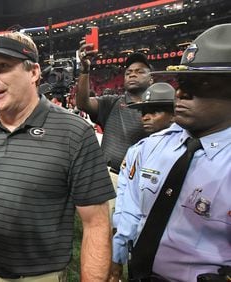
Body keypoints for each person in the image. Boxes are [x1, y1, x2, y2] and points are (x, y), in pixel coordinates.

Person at [0, 31, 115, 281]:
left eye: (2, 67)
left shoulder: (74, 132)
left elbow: (96, 223)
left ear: (33, 72)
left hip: (40, 275)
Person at [112, 24, 231, 282]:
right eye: (182, 81)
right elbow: (131, 210)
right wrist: (117, 256)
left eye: (203, 83)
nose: (181, 92)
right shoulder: (149, 148)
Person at [110, 82, 176, 281]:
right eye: (143, 112)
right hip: (146, 251)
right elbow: (127, 208)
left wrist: (116, 258)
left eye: (154, 111)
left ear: (174, 114)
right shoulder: (138, 150)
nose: (145, 117)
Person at [76, 49, 152, 192]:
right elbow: (83, 103)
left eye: (140, 71)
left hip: (143, 183)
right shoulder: (112, 103)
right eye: (128, 73)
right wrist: (85, 71)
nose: (133, 74)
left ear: (151, 78)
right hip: (110, 178)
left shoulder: (159, 109)